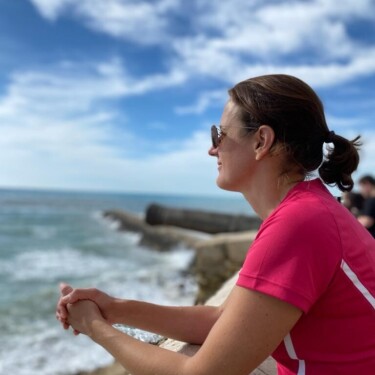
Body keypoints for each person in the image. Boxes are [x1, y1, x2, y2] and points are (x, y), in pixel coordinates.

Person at [56, 74, 375, 375]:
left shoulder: (298, 223)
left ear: (261, 141)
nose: (212, 149)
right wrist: (113, 307)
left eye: (219, 135)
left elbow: (202, 372)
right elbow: (221, 319)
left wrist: (95, 327)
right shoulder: (307, 209)